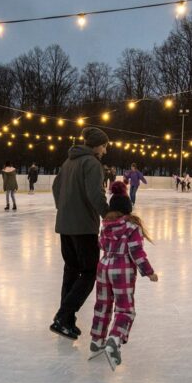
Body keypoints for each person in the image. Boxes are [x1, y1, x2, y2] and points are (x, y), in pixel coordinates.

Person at [90, 181, 158, 369]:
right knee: (125, 309)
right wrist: (149, 272)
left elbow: (102, 246)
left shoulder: (106, 225)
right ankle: (114, 338)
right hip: (122, 268)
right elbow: (136, 252)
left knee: (103, 305)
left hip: (103, 266)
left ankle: (97, 340)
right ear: (128, 209)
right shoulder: (131, 227)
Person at [50, 126, 110, 340]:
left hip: (65, 225)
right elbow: (96, 194)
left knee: (71, 270)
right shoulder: (91, 163)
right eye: (104, 146)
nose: (105, 151)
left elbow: (56, 188)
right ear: (96, 145)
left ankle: (66, 320)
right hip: (83, 227)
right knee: (89, 272)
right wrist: (109, 215)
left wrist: (64, 208)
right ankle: (63, 316)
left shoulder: (69, 161)